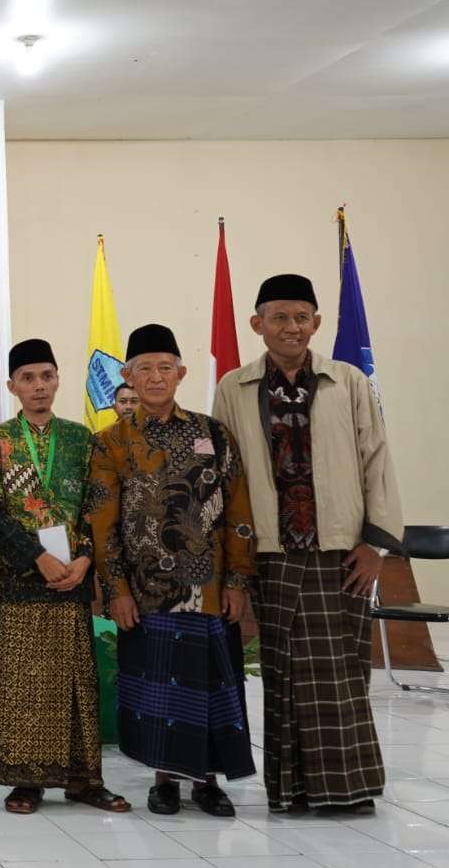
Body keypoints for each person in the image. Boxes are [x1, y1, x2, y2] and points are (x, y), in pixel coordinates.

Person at [213, 274, 398, 815]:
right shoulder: (234, 387)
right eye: (279, 317)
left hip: (340, 552)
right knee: (281, 669)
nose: (291, 327)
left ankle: (347, 788)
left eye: (301, 317)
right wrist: (236, 564)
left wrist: (375, 544)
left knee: (342, 669)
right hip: (269, 553)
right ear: (257, 325)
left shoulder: (347, 381)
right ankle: (291, 789)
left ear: (315, 323)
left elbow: (377, 459)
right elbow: (227, 479)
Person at [86, 323, 257, 817]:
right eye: (145, 369)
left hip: (208, 589)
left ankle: (207, 781)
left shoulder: (213, 433)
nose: (156, 377)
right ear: (127, 376)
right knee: (159, 691)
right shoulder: (112, 442)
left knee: (207, 688)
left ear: (181, 373)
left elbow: (238, 512)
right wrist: (115, 589)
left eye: (165, 367)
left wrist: (237, 580)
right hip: (147, 591)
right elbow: (103, 524)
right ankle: (164, 781)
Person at [0, 339, 128, 815]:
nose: (38, 386)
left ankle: (84, 779)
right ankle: (25, 781)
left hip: (72, 578)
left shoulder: (83, 438)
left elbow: (96, 508)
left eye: (46, 375)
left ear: (58, 378)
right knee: (22, 681)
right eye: (27, 378)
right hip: (24, 578)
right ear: (12, 386)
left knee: (76, 679)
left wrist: (85, 560)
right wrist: (35, 558)